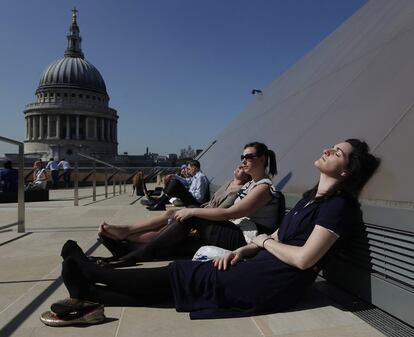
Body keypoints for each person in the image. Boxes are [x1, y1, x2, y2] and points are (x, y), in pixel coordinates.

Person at [40, 139, 380, 326]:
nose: (326, 149)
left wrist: (258, 242)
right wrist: (244, 251)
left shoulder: (338, 207)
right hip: (257, 267)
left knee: (182, 275)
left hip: (272, 283)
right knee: (181, 285)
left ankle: (92, 271)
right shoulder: (310, 200)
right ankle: (90, 291)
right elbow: (278, 238)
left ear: (348, 169)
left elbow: (305, 259)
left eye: (337, 152)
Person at [98, 142, 283, 266]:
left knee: (190, 218)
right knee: (179, 243)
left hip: (246, 238)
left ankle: (131, 256)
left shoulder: (263, 189)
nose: (244, 161)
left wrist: (193, 211)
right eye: (243, 156)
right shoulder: (252, 184)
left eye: (249, 157)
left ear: (263, 159)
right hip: (237, 230)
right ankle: (126, 249)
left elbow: (231, 213)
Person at [95, 166, 252, 264]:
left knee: (172, 228)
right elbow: (211, 203)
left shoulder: (239, 190)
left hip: (210, 218)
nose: (240, 166)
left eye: (244, 167)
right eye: (240, 163)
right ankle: (127, 237)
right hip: (205, 212)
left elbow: (223, 211)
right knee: (171, 225)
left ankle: (128, 238)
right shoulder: (227, 183)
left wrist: (199, 217)